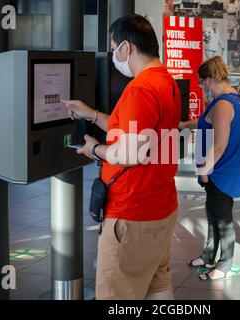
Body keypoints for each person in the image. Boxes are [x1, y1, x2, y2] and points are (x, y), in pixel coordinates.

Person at [62, 15, 182, 299]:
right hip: (161, 207)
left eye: (114, 48)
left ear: (126, 47)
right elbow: (135, 132)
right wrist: (91, 114)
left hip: (132, 213)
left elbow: (128, 153)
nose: (114, 56)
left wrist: (94, 149)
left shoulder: (140, 90)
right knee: (158, 286)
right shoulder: (166, 82)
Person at [180, 56, 240, 281]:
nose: (202, 87)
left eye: (202, 83)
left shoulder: (223, 104)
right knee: (212, 215)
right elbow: (206, 122)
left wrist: (204, 170)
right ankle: (209, 256)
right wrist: (184, 125)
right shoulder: (231, 98)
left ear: (209, 80)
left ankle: (224, 265)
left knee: (222, 220)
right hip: (222, 171)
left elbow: (219, 144)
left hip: (220, 172)